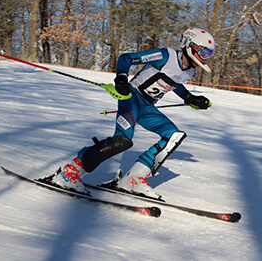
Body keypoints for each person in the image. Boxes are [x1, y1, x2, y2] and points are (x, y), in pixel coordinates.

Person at [50, 27, 215, 200]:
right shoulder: (165, 56)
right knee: (122, 141)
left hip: (147, 108)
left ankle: (132, 180)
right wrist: (121, 79)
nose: (206, 58)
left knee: (173, 135)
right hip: (131, 98)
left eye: (209, 54)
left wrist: (190, 98)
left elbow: (175, 82)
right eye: (204, 52)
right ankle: (68, 174)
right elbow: (126, 58)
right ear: (190, 45)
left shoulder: (189, 70)